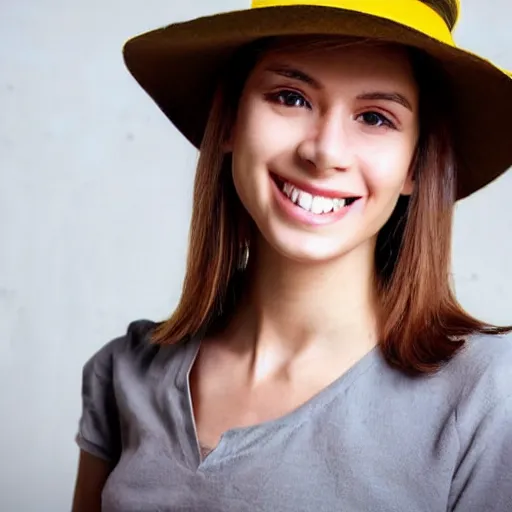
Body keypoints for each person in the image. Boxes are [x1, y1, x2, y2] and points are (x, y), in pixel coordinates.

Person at [71, 1, 512, 511]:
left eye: (374, 117)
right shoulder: (124, 374)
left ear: (416, 163)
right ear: (232, 120)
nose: (325, 152)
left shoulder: (487, 398)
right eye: (290, 97)